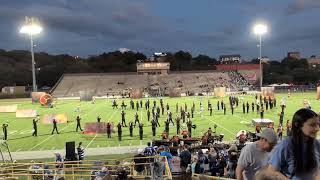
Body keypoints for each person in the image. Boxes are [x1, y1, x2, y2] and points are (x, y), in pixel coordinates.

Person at [268, 108, 320, 179]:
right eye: (312, 125)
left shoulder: (317, 144)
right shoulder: (286, 145)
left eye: (318, 124)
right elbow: (271, 171)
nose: (317, 128)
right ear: (298, 125)